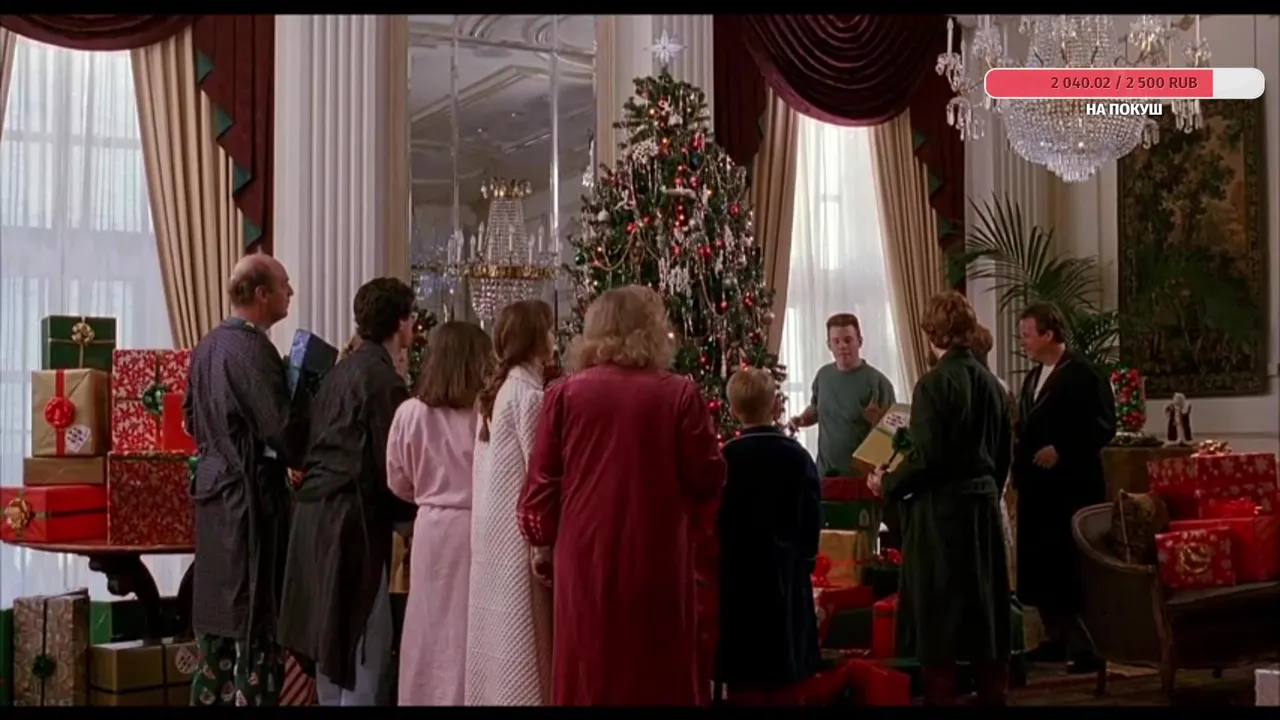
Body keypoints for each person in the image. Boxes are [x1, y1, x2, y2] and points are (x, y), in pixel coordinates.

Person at [518, 285, 726, 706]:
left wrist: (541, 545)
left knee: (588, 667)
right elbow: (708, 477)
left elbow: (539, 490)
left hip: (583, 556)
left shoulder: (564, 395)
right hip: (657, 554)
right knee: (656, 668)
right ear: (651, 331)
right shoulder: (678, 393)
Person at [278, 277, 418, 706]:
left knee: (330, 654)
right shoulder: (383, 381)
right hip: (351, 525)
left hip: (313, 519)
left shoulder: (338, 372)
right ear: (401, 322)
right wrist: (410, 523)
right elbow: (392, 466)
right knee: (363, 657)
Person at [868, 291, 1013, 706]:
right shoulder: (992, 384)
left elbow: (926, 457)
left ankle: (941, 697)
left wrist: (887, 483)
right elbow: (1004, 455)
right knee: (985, 606)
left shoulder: (933, 383)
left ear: (932, 332)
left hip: (941, 513)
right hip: (982, 506)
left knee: (939, 609)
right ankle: (993, 693)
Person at [185, 253, 311, 707]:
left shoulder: (206, 345)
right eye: (284, 285)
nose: (290, 292)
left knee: (216, 642)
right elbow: (280, 427)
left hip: (212, 496)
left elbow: (189, 419)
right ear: (261, 294)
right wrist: (307, 399)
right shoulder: (253, 348)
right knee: (255, 636)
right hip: (249, 503)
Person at [385, 321, 493, 705]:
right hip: (478, 527)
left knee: (429, 628)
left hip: (431, 527)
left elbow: (397, 480)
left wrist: (429, 494)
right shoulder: (485, 414)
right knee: (469, 628)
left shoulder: (410, 413)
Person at [1012, 303, 1116, 674]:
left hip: (1070, 490)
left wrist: (1062, 450)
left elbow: (1104, 425)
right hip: (1038, 491)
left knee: (1067, 568)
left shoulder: (1084, 374)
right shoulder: (1033, 376)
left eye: (1027, 334)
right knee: (1041, 565)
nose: (1022, 342)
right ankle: (1055, 639)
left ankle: (1086, 647)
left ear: (1048, 333)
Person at [467, 300, 556, 706]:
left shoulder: (498, 391)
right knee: (520, 629)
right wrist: (543, 542)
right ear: (536, 339)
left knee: (494, 628)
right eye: (549, 330)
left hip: (491, 527)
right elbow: (540, 470)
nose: (554, 339)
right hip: (516, 531)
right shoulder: (529, 395)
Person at [715, 367, 822, 705]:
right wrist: (806, 560)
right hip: (787, 574)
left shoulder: (724, 459)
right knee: (787, 674)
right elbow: (811, 520)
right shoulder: (798, 457)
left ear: (733, 410)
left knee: (744, 677)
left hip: (737, 578)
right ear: (776, 405)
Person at [788, 313, 899, 542]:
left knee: (861, 548)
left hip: (861, 483)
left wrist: (877, 420)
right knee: (828, 546)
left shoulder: (877, 382)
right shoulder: (823, 376)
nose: (842, 346)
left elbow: (892, 432)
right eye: (836, 341)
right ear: (829, 345)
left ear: (860, 341)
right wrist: (800, 419)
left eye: (848, 340)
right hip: (826, 479)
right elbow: (816, 409)